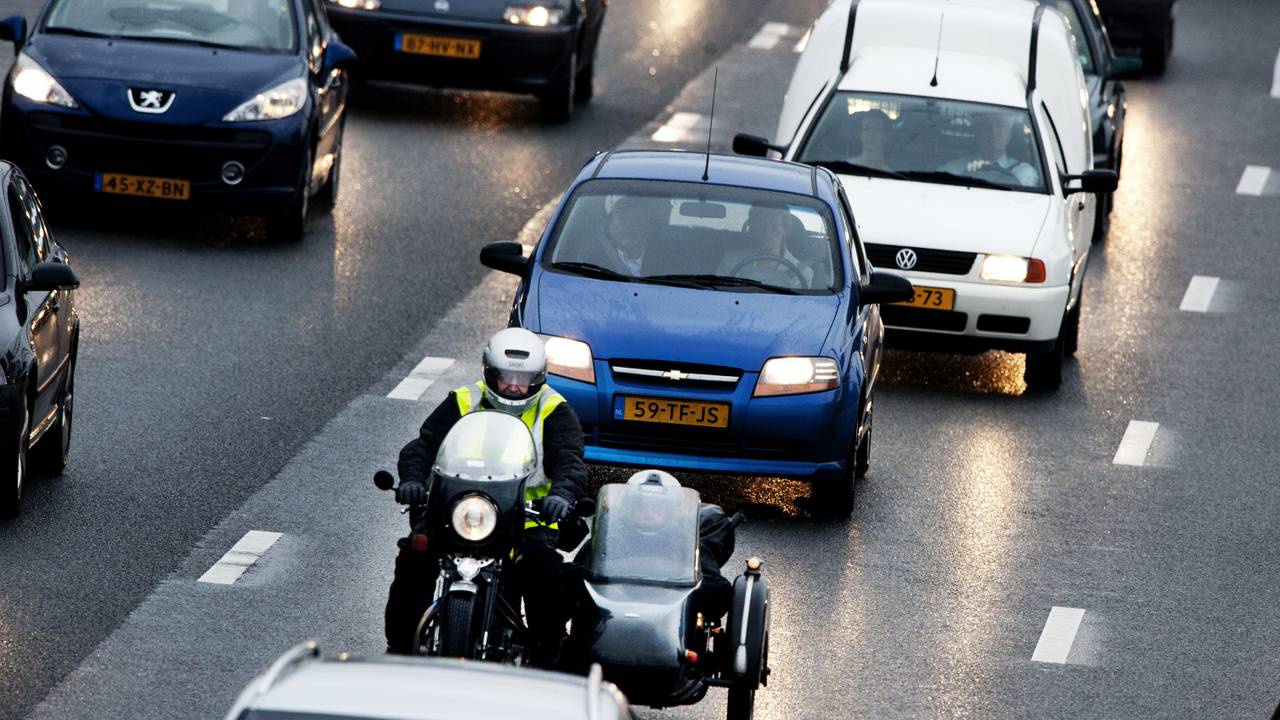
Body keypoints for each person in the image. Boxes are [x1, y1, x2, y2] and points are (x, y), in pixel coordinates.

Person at [384, 328, 587, 664]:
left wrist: (561, 496)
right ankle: (400, 647)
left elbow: (570, 461)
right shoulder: (465, 399)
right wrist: (413, 480)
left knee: (546, 569)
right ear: (490, 373)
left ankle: (547, 651)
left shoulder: (554, 410)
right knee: (415, 555)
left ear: (539, 378)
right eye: (506, 377)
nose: (514, 387)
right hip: (458, 510)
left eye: (523, 379)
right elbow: (422, 447)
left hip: (525, 517)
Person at [716, 205, 815, 288]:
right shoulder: (731, 262)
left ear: (785, 230)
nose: (767, 232)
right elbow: (719, 298)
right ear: (753, 229)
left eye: (774, 226)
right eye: (761, 225)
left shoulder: (802, 274)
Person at [938, 112, 1040, 187]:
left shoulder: (1023, 172)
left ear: (1009, 135)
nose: (993, 131)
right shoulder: (951, 170)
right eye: (987, 125)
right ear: (977, 132)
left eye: (999, 125)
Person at [581, 195, 667, 276]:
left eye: (637, 219)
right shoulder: (590, 259)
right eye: (623, 219)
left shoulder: (666, 258)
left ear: (649, 226)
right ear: (610, 225)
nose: (629, 226)